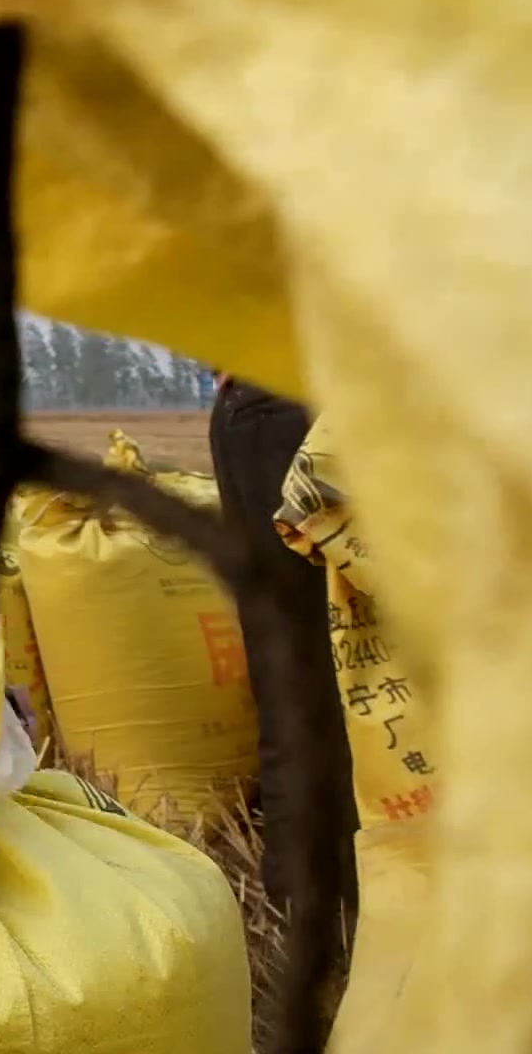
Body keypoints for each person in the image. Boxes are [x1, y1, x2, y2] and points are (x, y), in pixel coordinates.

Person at [207, 373, 359, 918]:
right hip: (293, 403)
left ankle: (319, 907)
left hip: (289, 398)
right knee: (321, 662)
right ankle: (325, 908)